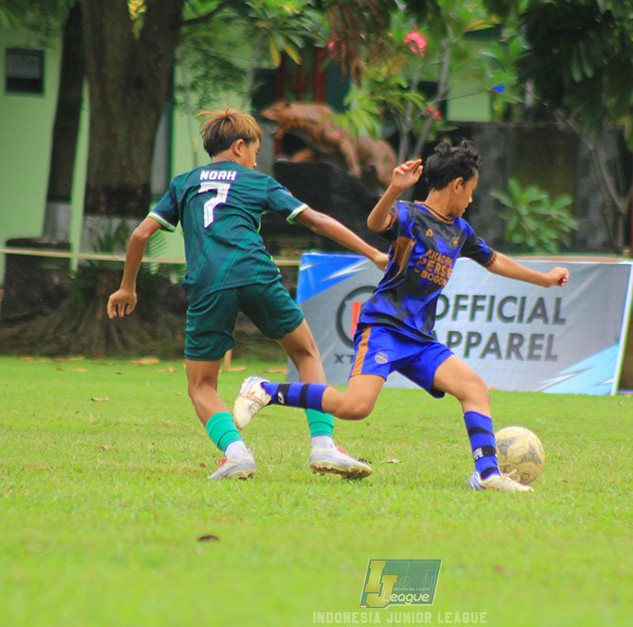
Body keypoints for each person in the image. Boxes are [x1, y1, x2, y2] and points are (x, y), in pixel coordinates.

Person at [232, 139, 570, 493]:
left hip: (421, 339)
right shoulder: (410, 216)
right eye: (471, 191)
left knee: (474, 389)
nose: (471, 200)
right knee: (355, 406)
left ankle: (486, 475)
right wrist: (393, 189)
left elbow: (495, 260)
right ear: (457, 185)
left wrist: (543, 279)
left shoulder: (460, 231)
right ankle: (265, 389)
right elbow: (376, 222)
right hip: (385, 328)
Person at [107, 108, 388, 481]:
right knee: (306, 353)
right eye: (256, 150)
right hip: (255, 273)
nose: (257, 159)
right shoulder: (258, 183)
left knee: (201, 385)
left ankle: (237, 454)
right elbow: (317, 220)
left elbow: (141, 234)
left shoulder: (184, 183)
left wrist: (128, 287)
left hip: (207, 284)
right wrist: (371, 252)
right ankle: (323, 444)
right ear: (240, 147)